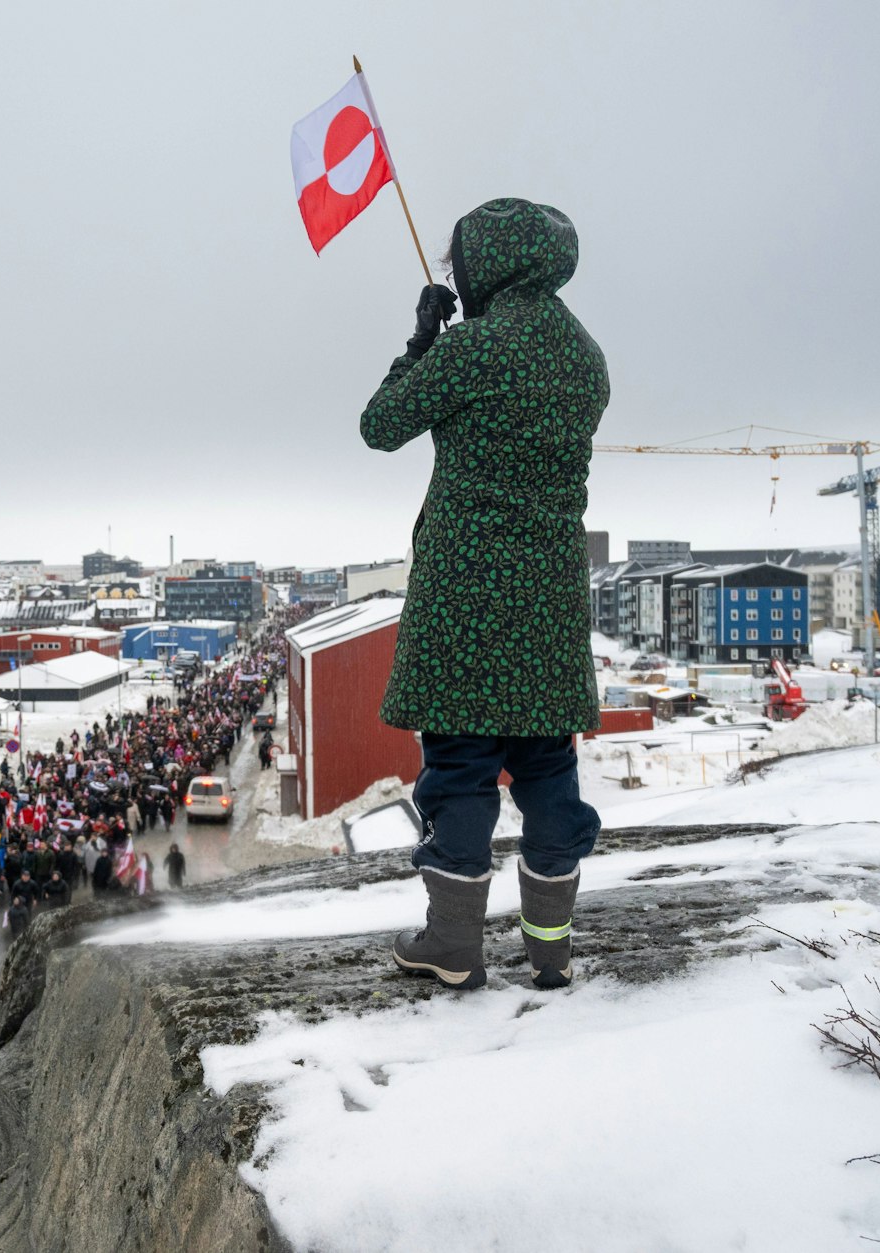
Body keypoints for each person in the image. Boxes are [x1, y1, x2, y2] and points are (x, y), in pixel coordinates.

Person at [361, 198, 607, 993]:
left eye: (460, 262)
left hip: (466, 592)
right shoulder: (585, 356)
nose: (456, 275)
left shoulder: (475, 349)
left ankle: (453, 943)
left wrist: (424, 338)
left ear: (489, 262)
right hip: (549, 598)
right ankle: (551, 948)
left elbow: (381, 424)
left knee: (462, 767)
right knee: (546, 768)